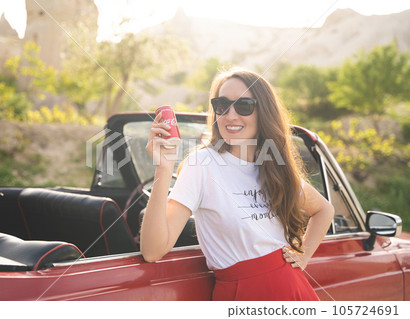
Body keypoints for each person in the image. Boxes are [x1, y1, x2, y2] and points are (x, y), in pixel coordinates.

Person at [140, 67, 334, 301]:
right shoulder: (201, 164)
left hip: (292, 289)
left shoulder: (273, 164)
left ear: (264, 112)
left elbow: (324, 209)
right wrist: (163, 167)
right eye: (222, 106)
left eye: (244, 106)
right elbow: (153, 251)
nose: (230, 115)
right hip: (240, 295)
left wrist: (303, 255)